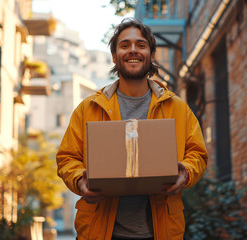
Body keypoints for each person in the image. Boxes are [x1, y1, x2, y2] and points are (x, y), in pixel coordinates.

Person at [56, 18, 208, 240]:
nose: (133, 51)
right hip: (99, 231)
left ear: (151, 54)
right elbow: (67, 157)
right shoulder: (89, 108)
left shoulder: (176, 107)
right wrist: (81, 180)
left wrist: (184, 173)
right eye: (125, 45)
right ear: (115, 56)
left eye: (141, 45)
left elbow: (198, 154)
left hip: (161, 231)